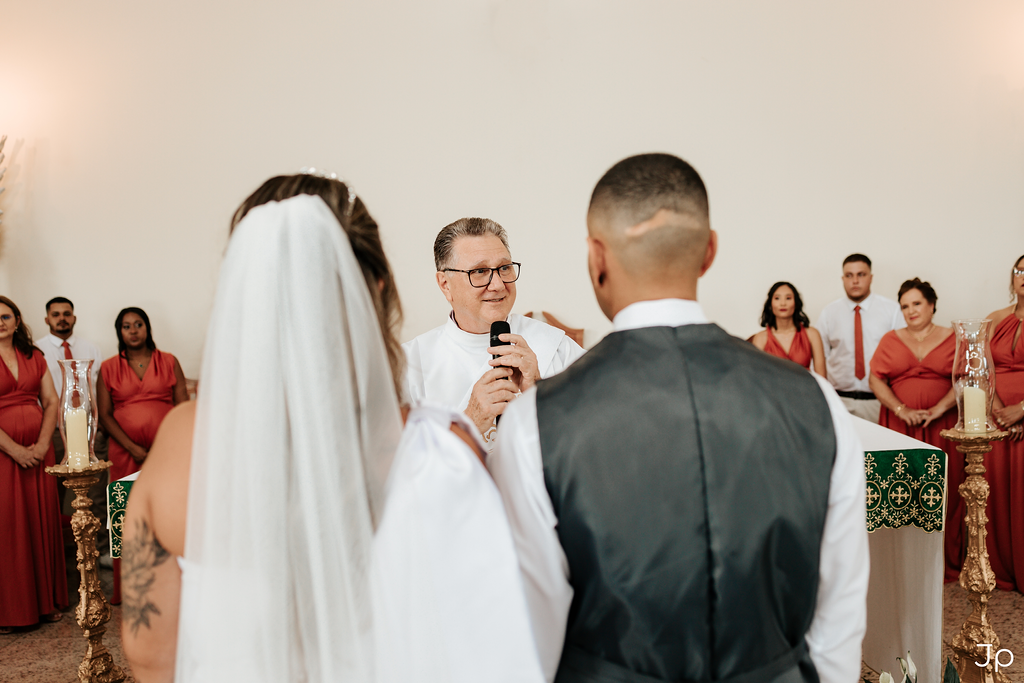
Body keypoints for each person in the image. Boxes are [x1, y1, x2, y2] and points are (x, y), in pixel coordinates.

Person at [120, 175, 543, 683]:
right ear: (378, 289)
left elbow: (151, 660)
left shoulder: (180, 443)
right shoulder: (441, 453)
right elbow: (488, 652)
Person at [491, 153, 868, 683]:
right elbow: (839, 616)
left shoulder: (537, 419)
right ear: (709, 250)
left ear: (596, 256)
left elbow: (530, 635)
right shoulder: (816, 401)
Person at [402, 218, 585, 445]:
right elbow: (399, 466)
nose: (498, 284)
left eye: (504, 268)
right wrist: (471, 422)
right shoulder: (409, 364)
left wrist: (540, 397)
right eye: (480, 271)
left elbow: (598, 436)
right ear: (445, 285)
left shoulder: (557, 348)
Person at [868, 278, 960, 579]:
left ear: (932, 304)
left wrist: (939, 408)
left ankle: (943, 560)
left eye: (916, 303)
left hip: (942, 424)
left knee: (947, 488)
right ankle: (904, 565)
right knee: (903, 489)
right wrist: (901, 409)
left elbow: (963, 377)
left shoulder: (953, 337)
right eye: (905, 306)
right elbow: (876, 379)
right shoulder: (890, 339)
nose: (911, 310)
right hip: (900, 426)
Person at [98, 307, 187, 605]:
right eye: (126, 326)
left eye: (138, 324)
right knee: (127, 516)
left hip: (166, 452)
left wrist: (165, 446)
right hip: (125, 453)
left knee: (166, 511)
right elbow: (106, 416)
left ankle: (169, 583)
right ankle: (127, 587)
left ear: (147, 328)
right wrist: (134, 448)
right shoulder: (109, 367)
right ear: (119, 332)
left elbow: (181, 407)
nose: (133, 330)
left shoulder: (169, 361)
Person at [0, 296, 68, 633]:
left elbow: (51, 400)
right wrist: (15, 450)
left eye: (5, 316)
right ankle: (13, 610)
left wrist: (42, 445)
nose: (0, 322)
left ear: (16, 320)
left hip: (40, 453)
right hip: (3, 455)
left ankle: (46, 602)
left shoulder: (34, 355)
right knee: (10, 526)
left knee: (41, 521)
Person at [817, 254, 903, 422]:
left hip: (880, 402)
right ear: (842, 279)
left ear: (870, 277)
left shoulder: (892, 311)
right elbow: (820, 359)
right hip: (839, 401)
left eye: (861, 274)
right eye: (849, 275)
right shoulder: (829, 313)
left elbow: (901, 357)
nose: (855, 281)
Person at [984, 254, 1024, 592]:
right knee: (997, 490)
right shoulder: (995, 319)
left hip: (1022, 417)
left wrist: (1022, 410)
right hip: (998, 420)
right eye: (1020, 270)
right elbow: (982, 369)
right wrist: (998, 410)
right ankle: (1002, 568)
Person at [750, 281, 826, 377]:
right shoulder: (761, 338)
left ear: (796, 303)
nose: (783, 303)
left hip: (805, 390)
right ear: (770, 304)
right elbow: (756, 376)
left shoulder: (812, 333)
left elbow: (822, 378)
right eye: (777, 298)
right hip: (773, 391)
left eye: (788, 298)